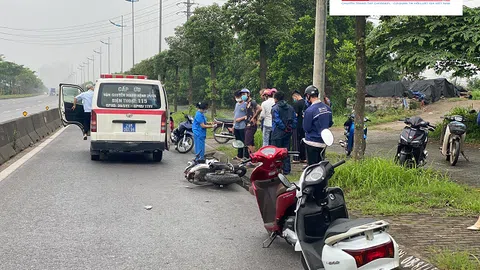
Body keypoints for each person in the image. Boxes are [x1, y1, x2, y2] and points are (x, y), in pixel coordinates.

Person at [303, 85, 333, 165]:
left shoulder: (309, 111)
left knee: (312, 167)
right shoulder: (328, 109)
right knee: (321, 166)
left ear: (308, 96)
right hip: (323, 142)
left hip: (312, 142)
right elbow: (330, 123)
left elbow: (306, 128)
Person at [271, 91, 297, 175]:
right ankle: (287, 170)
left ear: (276, 99)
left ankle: (276, 169)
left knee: (276, 152)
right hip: (288, 132)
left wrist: (283, 127)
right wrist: (290, 127)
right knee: (286, 151)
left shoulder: (275, 108)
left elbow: (277, 120)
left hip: (277, 133)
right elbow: (294, 120)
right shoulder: (290, 107)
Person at [242, 88, 262, 156]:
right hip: (247, 124)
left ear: (248, 94)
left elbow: (260, 108)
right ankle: (251, 158)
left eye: (244, 94)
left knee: (247, 142)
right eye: (242, 94)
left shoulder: (252, 102)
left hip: (251, 125)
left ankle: (254, 157)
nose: (243, 96)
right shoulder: (246, 103)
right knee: (251, 143)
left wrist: (254, 117)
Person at [291, 90, 307, 163]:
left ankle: (296, 158)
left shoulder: (296, 104)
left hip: (297, 125)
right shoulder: (306, 103)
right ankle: (303, 157)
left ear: (295, 96)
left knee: (296, 141)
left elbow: (295, 115)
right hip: (304, 125)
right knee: (303, 141)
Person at [233, 90, 248, 160]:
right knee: (238, 141)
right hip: (236, 126)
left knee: (244, 141)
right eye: (236, 97)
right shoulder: (236, 104)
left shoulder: (245, 104)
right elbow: (235, 116)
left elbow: (247, 115)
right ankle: (239, 155)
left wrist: (241, 119)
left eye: (238, 96)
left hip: (242, 126)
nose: (237, 98)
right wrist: (233, 126)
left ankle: (246, 156)